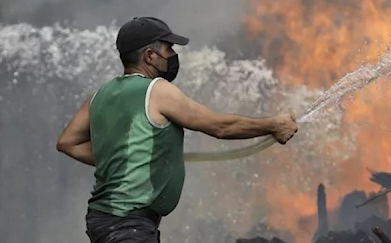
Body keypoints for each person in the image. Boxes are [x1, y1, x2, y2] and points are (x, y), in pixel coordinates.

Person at [56, 16, 298, 243]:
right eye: (168, 49)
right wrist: (274, 125)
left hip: (103, 219)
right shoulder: (157, 90)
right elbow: (220, 127)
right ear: (149, 56)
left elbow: (68, 142)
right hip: (128, 223)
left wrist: (124, 158)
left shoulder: (99, 96)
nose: (173, 55)